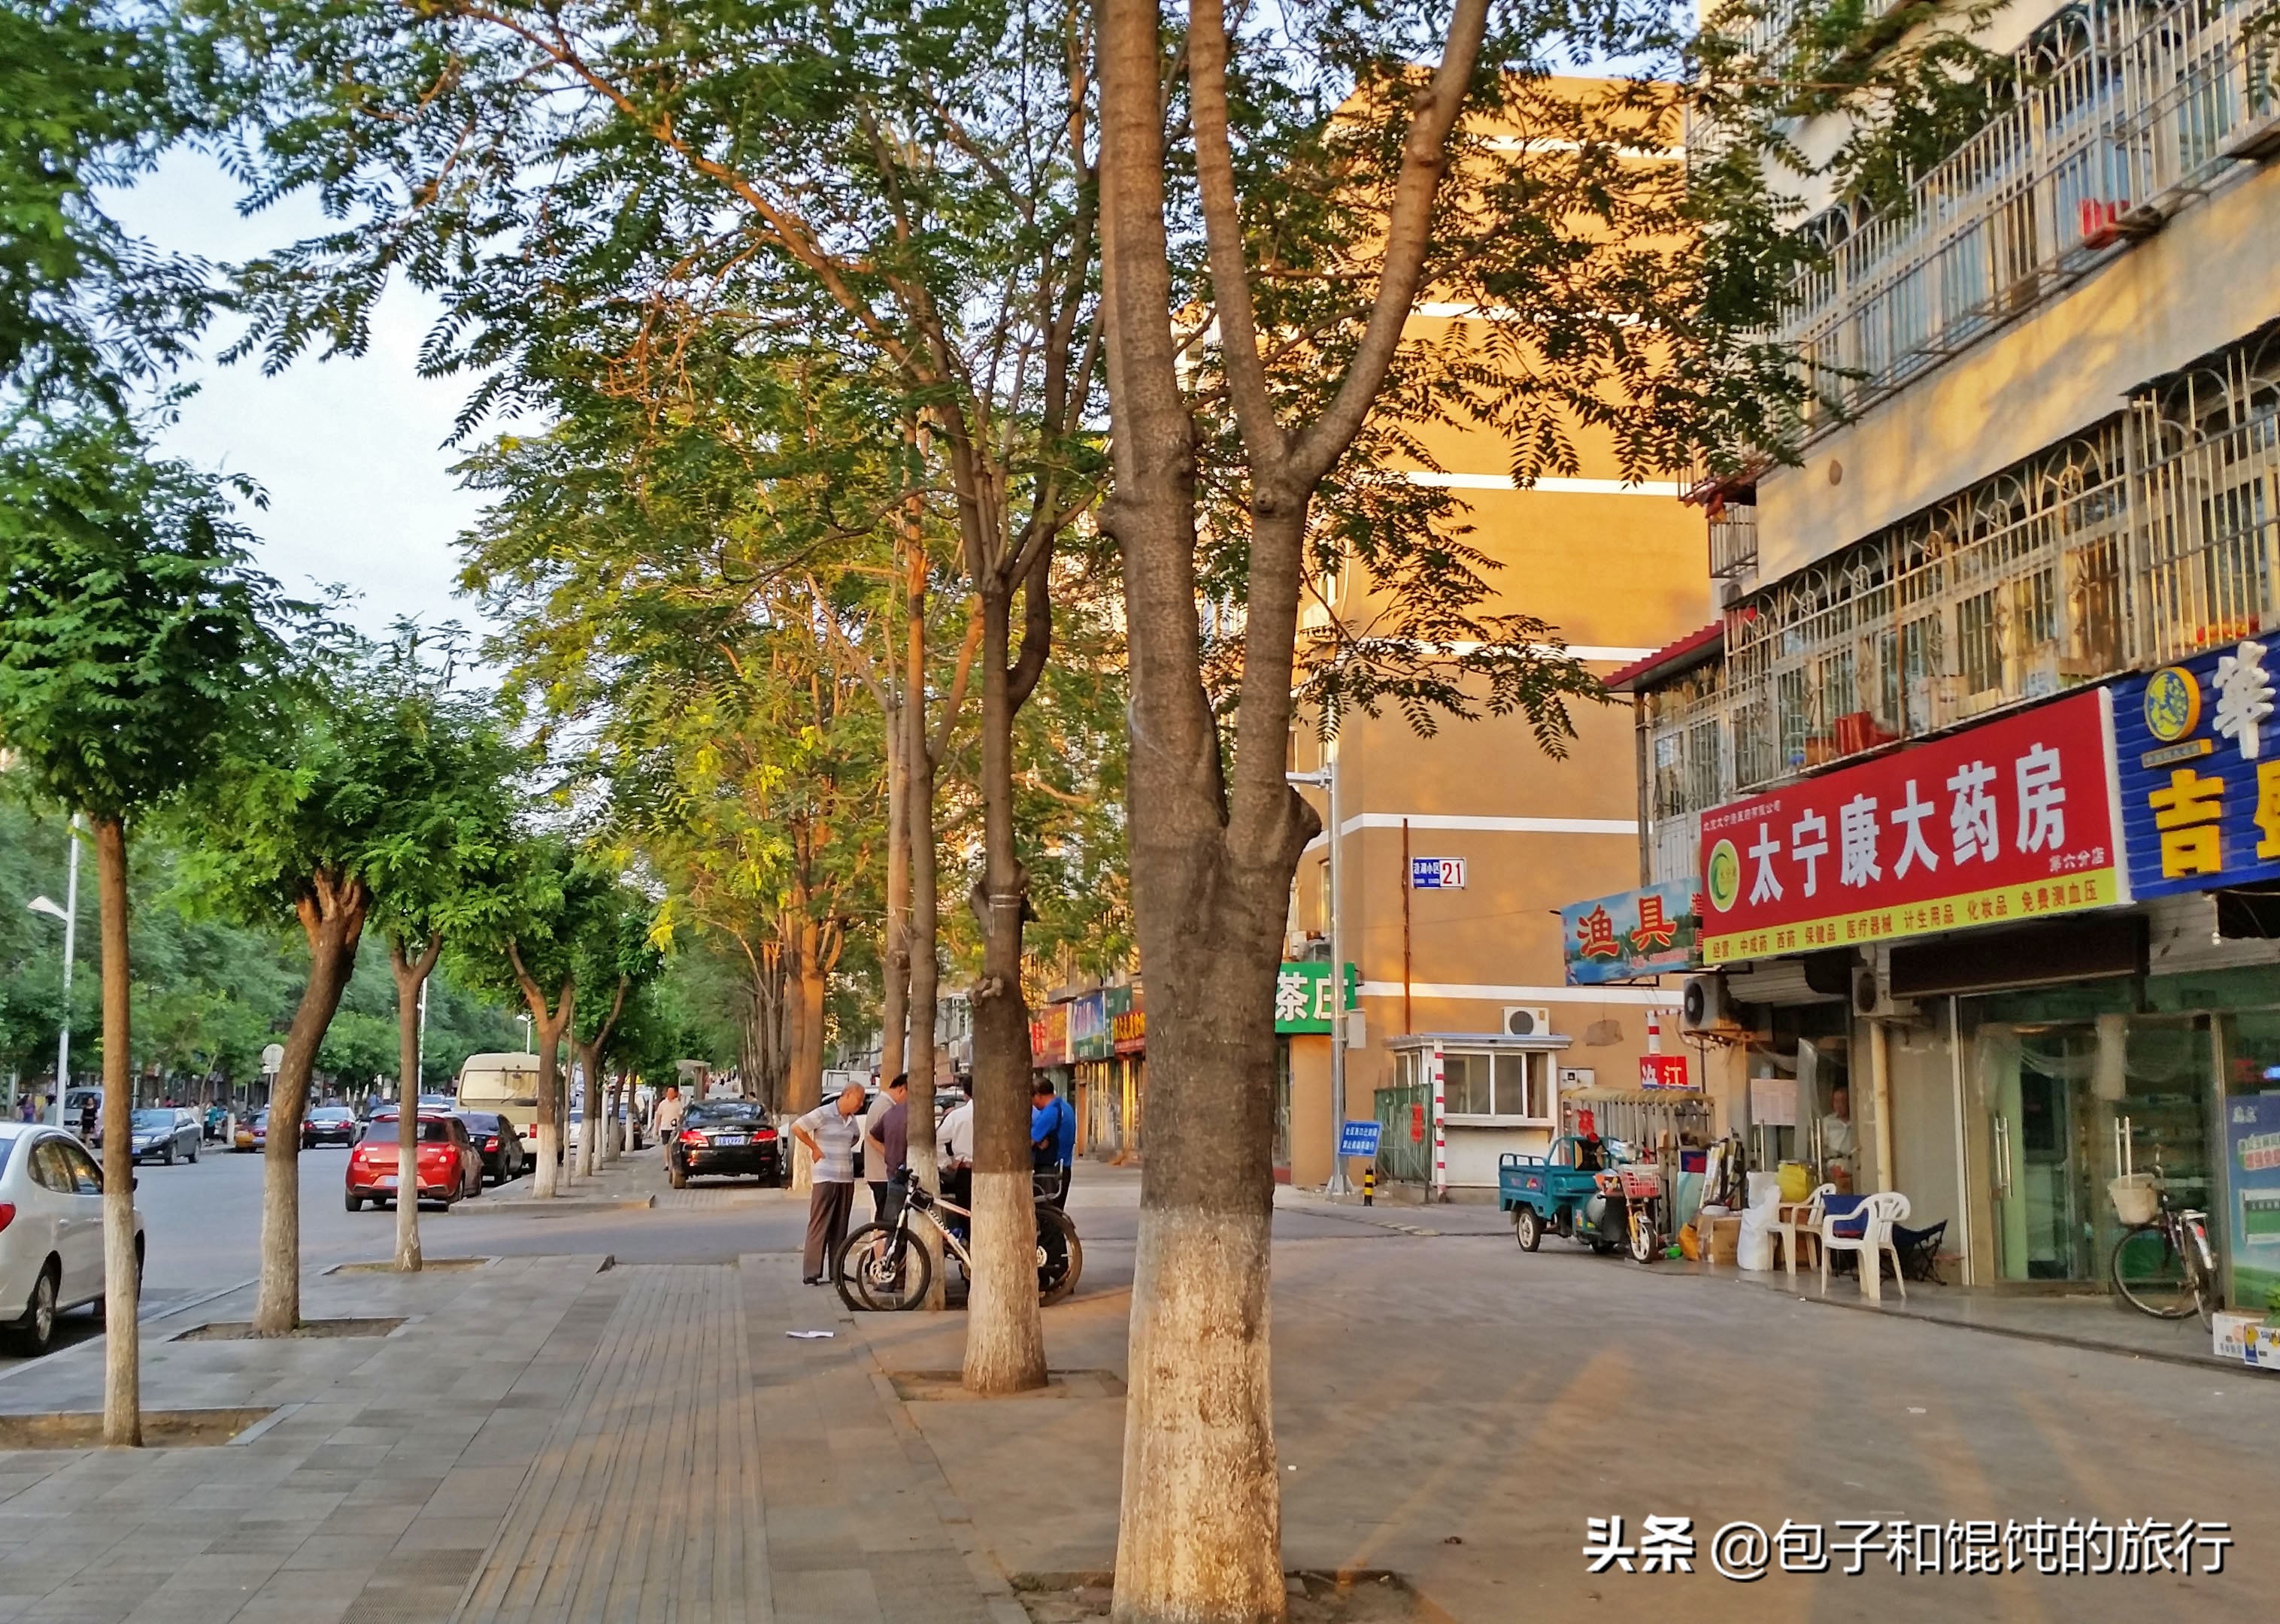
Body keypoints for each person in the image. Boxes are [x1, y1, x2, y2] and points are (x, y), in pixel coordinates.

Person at [792, 1083, 868, 1285]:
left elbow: (855, 1138)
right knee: (820, 1224)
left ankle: (837, 1271)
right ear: (848, 1094)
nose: (861, 1104)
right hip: (825, 1177)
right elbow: (797, 1127)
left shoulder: (851, 1120)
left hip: (846, 1177)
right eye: (858, 1099)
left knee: (840, 1226)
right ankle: (811, 1272)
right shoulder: (824, 1113)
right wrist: (814, 1148)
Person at [866, 1075, 911, 1225]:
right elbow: (872, 1137)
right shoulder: (888, 1107)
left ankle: (878, 1248)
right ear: (902, 1089)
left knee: (885, 1219)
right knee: (887, 1222)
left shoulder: (881, 1104)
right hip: (884, 1175)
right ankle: (880, 1248)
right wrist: (891, 1155)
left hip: (880, 1174)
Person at [1031, 1080, 1075, 1210]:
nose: (1033, 1103)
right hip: (1063, 1168)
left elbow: (1031, 1140)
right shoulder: (1065, 1106)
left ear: (1039, 1095)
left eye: (1032, 1098)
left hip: (1050, 1171)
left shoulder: (1050, 1112)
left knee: (1046, 1212)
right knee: (1056, 1212)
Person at [936, 1090, 975, 1225]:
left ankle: (966, 1242)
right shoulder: (996, 1115)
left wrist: (947, 1163)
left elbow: (937, 1140)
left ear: (966, 1094)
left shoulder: (957, 1116)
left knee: (965, 1214)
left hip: (965, 1170)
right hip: (994, 1171)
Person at [1820, 1083, 1857, 1192]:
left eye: (1843, 1101)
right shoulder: (1828, 1122)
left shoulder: (1858, 1120)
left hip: (1855, 1164)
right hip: (1835, 1164)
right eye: (1836, 1101)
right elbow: (1822, 1147)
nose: (1840, 1105)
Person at [651, 1083, 687, 1148]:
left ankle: (671, 1157)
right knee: (666, 1145)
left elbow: (681, 1116)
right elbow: (659, 1117)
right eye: (669, 1092)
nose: (670, 1094)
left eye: (672, 1092)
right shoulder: (662, 1104)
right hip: (665, 1128)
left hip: (675, 1128)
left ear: (674, 1094)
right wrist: (656, 1129)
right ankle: (667, 1158)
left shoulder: (678, 1104)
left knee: (673, 1145)